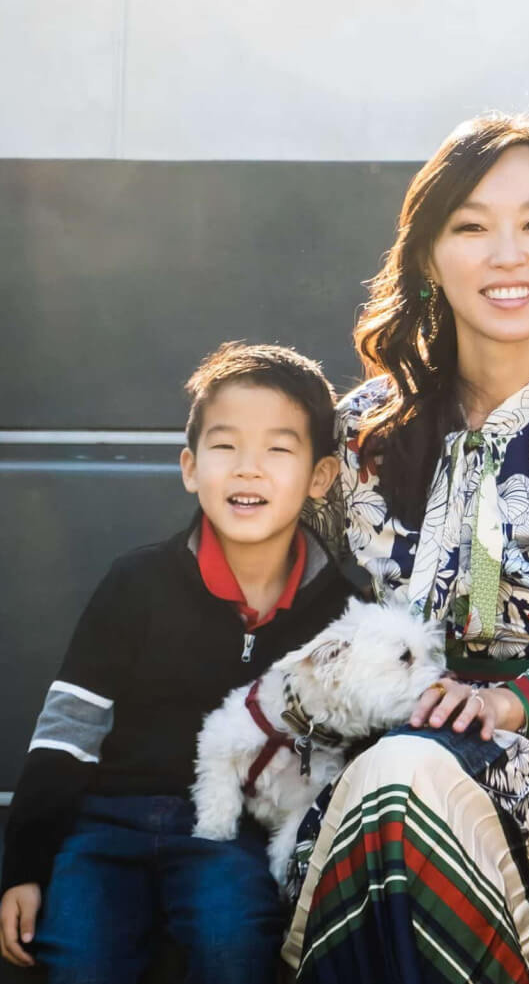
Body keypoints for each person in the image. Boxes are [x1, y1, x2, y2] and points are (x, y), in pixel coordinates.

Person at [283, 114, 529, 984]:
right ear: (428, 256)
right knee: (390, 779)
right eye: (471, 226)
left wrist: (502, 707)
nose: (509, 254)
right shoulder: (356, 439)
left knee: (405, 784)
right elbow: (280, 590)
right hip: (363, 770)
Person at [0, 342, 352, 983]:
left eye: (278, 449)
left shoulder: (339, 606)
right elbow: (66, 734)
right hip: (105, 826)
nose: (248, 469)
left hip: (229, 834)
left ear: (320, 476)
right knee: (77, 957)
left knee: (235, 944)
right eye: (225, 447)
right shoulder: (137, 582)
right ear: (190, 467)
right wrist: (24, 866)